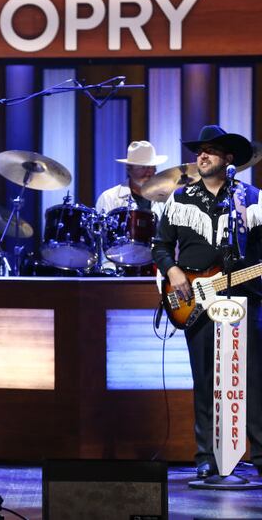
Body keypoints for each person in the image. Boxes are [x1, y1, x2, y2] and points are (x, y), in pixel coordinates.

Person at [152, 124, 262, 478]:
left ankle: (258, 456)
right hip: (195, 302)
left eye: (211, 150)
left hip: (247, 297)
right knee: (204, 379)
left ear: (229, 159)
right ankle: (207, 457)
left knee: (253, 378)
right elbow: (160, 245)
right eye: (199, 150)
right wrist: (172, 271)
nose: (202, 156)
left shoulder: (252, 198)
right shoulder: (180, 199)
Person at [95, 140, 167, 218]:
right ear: (129, 169)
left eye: (152, 167)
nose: (148, 172)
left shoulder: (165, 199)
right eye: (143, 167)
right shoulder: (109, 198)